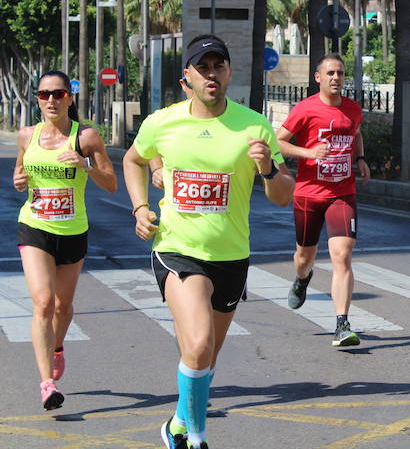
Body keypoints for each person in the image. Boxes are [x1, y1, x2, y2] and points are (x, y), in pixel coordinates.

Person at [123, 35, 293, 449]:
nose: (211, 73)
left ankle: (178, 421)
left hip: (232, 254)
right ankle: (196, 437)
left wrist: (269, 169)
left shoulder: (254, 125)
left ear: (229, 73)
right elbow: (132, 158)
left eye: (218, 66)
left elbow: (284, 194)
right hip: (178, 249)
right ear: (188, 77)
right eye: (203, 67)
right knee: (198, 344)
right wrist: (141, 207)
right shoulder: (162, 122)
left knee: (207, 355)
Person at [13, 70, 117, 410]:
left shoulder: (85, 136)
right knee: (43, 302)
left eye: (58, 94)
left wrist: (85, 164)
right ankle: (47, 384)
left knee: (62, 306)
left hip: (73, 231)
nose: (51, 100)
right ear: (38, 99)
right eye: (44, 95)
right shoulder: (27, 135)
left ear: (69, 98)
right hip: (35, 226)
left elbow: (111, 184)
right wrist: (19, 181)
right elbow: (21, 174)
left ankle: (57, 346)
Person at [277, 53, 370, 347]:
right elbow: (277, 141)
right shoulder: (305, 110)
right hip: (308, 194)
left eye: (340, 73)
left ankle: (342, 324)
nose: (336, 78)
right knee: (304, 256)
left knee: (342, 255)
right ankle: (302, 278)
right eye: (330, 73)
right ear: (318, 77)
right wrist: (307, 153)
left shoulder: (353, 109)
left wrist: (361, 159)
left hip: (342, 193)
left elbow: (355, 134)